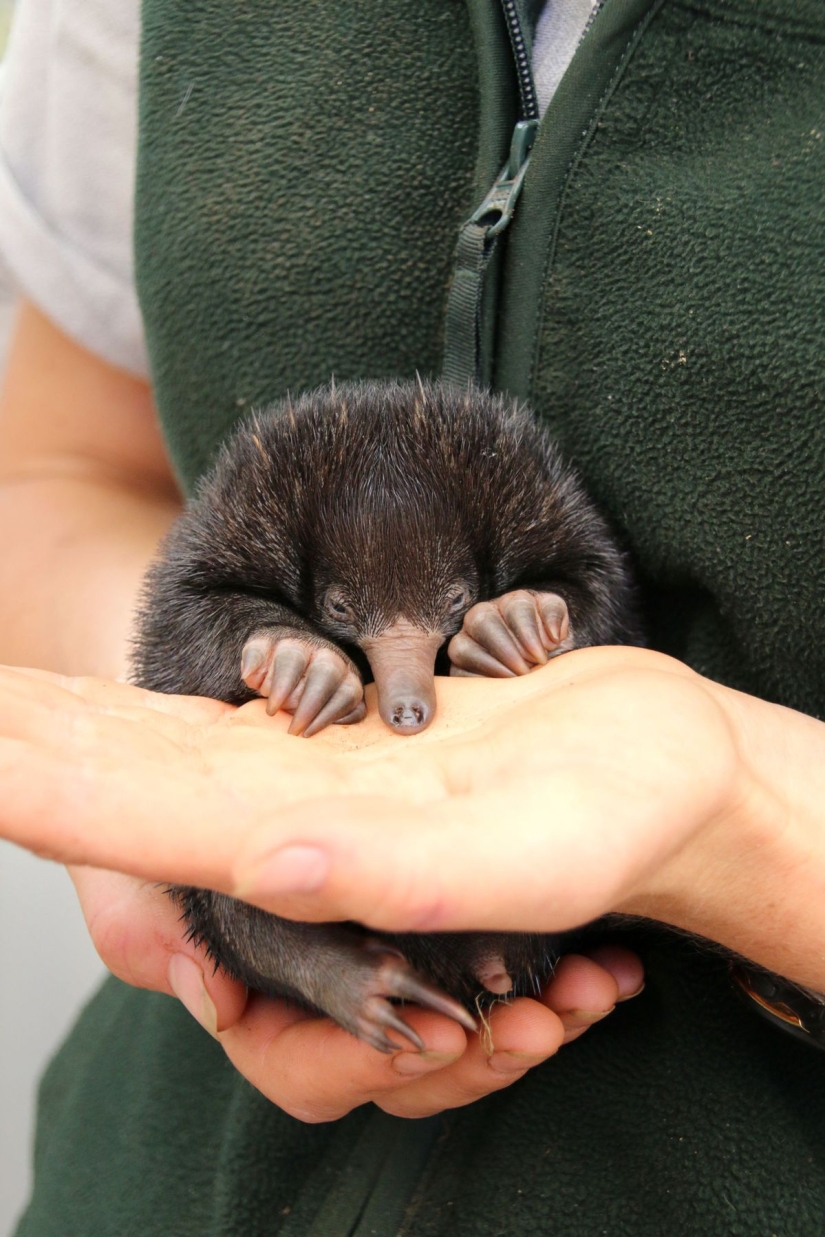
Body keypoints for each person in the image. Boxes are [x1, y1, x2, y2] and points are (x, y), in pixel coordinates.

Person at [1, 0, 824, 1233]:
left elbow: (579, 594)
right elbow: (58, 474)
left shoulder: (530, 528)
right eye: (351, 615)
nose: (405, 681)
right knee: (249, 906)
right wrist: (227, 697)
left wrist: (748, 826)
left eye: (431, 616)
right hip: (163, 1186)